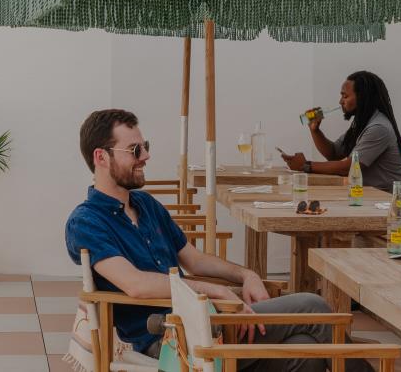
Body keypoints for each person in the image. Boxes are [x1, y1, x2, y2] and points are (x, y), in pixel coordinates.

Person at [66, 109, 372, 372]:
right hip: (170, 338)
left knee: (306, 353)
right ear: (101, 157)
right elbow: (135, 284)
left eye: (145, 146)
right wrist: (215, 291)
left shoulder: (146, 205)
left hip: (205, 320)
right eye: (135, 150)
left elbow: (194, 259)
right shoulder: (86, 221)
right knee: (313, 308)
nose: (146, 156)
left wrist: (246, 275)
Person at [281, 71, 401, 201]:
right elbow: (334, 153)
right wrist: (315, 130)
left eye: (345, 96)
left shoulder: (378, 128)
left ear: (363, 98)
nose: (340, 101)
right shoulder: (361, 123)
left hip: (397, 200)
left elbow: (349, 168)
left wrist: (305, 165)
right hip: (375, 197)